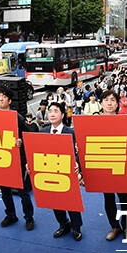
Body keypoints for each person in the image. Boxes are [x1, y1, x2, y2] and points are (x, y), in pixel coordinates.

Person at [41, 102, 83, 240]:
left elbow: (78, 152)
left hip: (67, 172)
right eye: (50, 111)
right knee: (56, 201)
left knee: (71, 200)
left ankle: (76, 227)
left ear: (63, 115)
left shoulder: (71, 133)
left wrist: (77, 164)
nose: (52, 114)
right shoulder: (42, 132)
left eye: (56, 111)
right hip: (51, 171)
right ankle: (63, 224)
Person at [0, 87, 35, 231]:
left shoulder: (16, 117)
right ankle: (11, 215)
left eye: (3, 97)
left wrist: (21, 141)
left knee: (23, 191)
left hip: (17, 159)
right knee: (4, 190)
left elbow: (30, 133)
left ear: (9, 101)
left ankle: (29, 217)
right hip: (1, 159)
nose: (0, 99)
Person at [98, 90, 127, 241]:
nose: (110, 103)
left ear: (117, 103)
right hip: (103, 163)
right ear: (101, 103)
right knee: (108, 198)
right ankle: (115, 226)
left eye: (113, 100)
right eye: (106, 100)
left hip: (121, 163)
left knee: (124, 197)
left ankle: (126, 226)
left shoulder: (125, 121)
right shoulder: (94, 122)